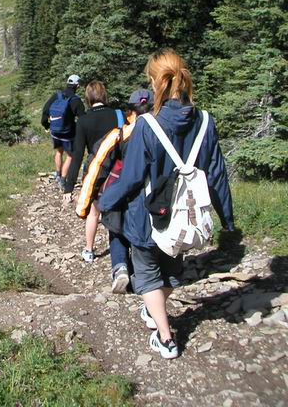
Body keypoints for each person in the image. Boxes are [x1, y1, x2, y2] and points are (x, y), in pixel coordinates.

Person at [98, 49, 234, 360]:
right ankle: (155, 309)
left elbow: (132, 178)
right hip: (185, 216)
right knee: (172, 272)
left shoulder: (147, 125)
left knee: (146, 274)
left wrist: (106, 201)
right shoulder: (205, 122)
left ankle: (166, 338)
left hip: (149, 217)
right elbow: (216, 174)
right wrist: (226, 218)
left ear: (155, 83)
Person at [75, 89, 153, 294]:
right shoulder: (163, 131)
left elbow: (97, 167)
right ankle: (146, 276)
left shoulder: (120, 134)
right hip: (154, 195)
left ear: (131, 111)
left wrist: (83, 206)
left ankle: (120, 267)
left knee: (116, 229)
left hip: (121, 189)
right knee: (145, 232)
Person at [62, 80, 122, 263]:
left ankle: (89, 249)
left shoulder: (83, 121)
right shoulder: (118, 115)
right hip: (118, 169)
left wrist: (68, 186)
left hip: (96, 170)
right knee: (121, 208)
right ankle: (124, 249)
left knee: (93, 212)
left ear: (88, 98)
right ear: (104, 95)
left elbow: (77, 155)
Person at [41, 74, 85, 189]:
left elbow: (45, 110)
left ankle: (58, 174)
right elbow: (83, 118)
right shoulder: (76, 100)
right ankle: (63, 179)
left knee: (59, 151)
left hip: (54, 130)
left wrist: (46, 125)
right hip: (67, 132)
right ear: (77, 85)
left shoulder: (57, 95)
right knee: (71, 155)